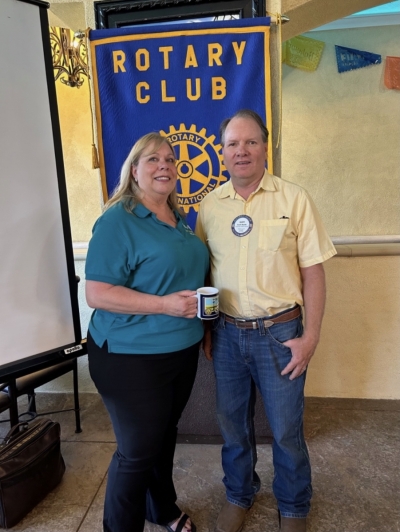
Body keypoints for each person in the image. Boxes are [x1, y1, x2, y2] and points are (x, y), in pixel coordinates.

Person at [195, 110, 337, 532]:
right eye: (233, 144)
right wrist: (206, 328)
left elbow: (314, 272)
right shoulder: (210, 205)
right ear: (222, 154)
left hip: (281, 334)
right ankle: (239, 495)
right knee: (233, 427)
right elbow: (204, 270)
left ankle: (293, 506)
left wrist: (310, 336)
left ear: (266, 147)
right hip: (226, 335)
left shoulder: (294, 198)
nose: (242, 151)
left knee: (286, 431)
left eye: (251, 142)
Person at [85, 132, 209, 532]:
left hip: (181, 350)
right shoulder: (118, 219)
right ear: (134, 171)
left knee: (163, 436)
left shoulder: (180, 219)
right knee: (137, 452)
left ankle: (162, 509)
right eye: (153, 159)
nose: (165, 166)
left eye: (171, 160)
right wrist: (165, 304)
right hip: (128, 356)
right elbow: (97, 293)